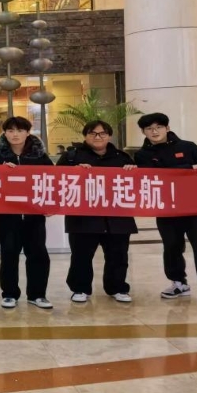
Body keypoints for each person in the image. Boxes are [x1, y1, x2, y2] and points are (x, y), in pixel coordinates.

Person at [135, 112, 197, 312]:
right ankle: (178, 282)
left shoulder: (188, 147)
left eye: (159, 127)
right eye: (149, 128)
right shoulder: (142, 155)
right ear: (143, 132)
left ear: (167, 128)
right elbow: (154, 175)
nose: (154, 131)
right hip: (166, 209)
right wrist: (189, 167)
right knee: (171, 247)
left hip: (196, 208)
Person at [56, 120, 138, 304]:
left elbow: (138, 185)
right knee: (81, 256)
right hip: (83, 217)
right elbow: (56, 181)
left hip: (117, 217)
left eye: (102, 133)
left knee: (118, 255)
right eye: (93, 133)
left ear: (109, 136)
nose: (98, 137)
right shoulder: (72, 157)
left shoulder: (122, 157)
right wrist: (73, 172)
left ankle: (117, 288)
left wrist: (133, 171)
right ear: (85, 136)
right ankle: (80, 289)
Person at [0, 116, 55, 310]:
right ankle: (9, 294)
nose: (15, 134)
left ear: (28, 132)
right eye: (11, 130)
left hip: (34, 215)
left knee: (38, 253)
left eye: (20, 130)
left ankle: (37, 295)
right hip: (7, 216)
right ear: (5, 133)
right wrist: (0, 171)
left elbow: (53, 182)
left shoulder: (40, 157)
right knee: (9, 254)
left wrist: (50, 206)